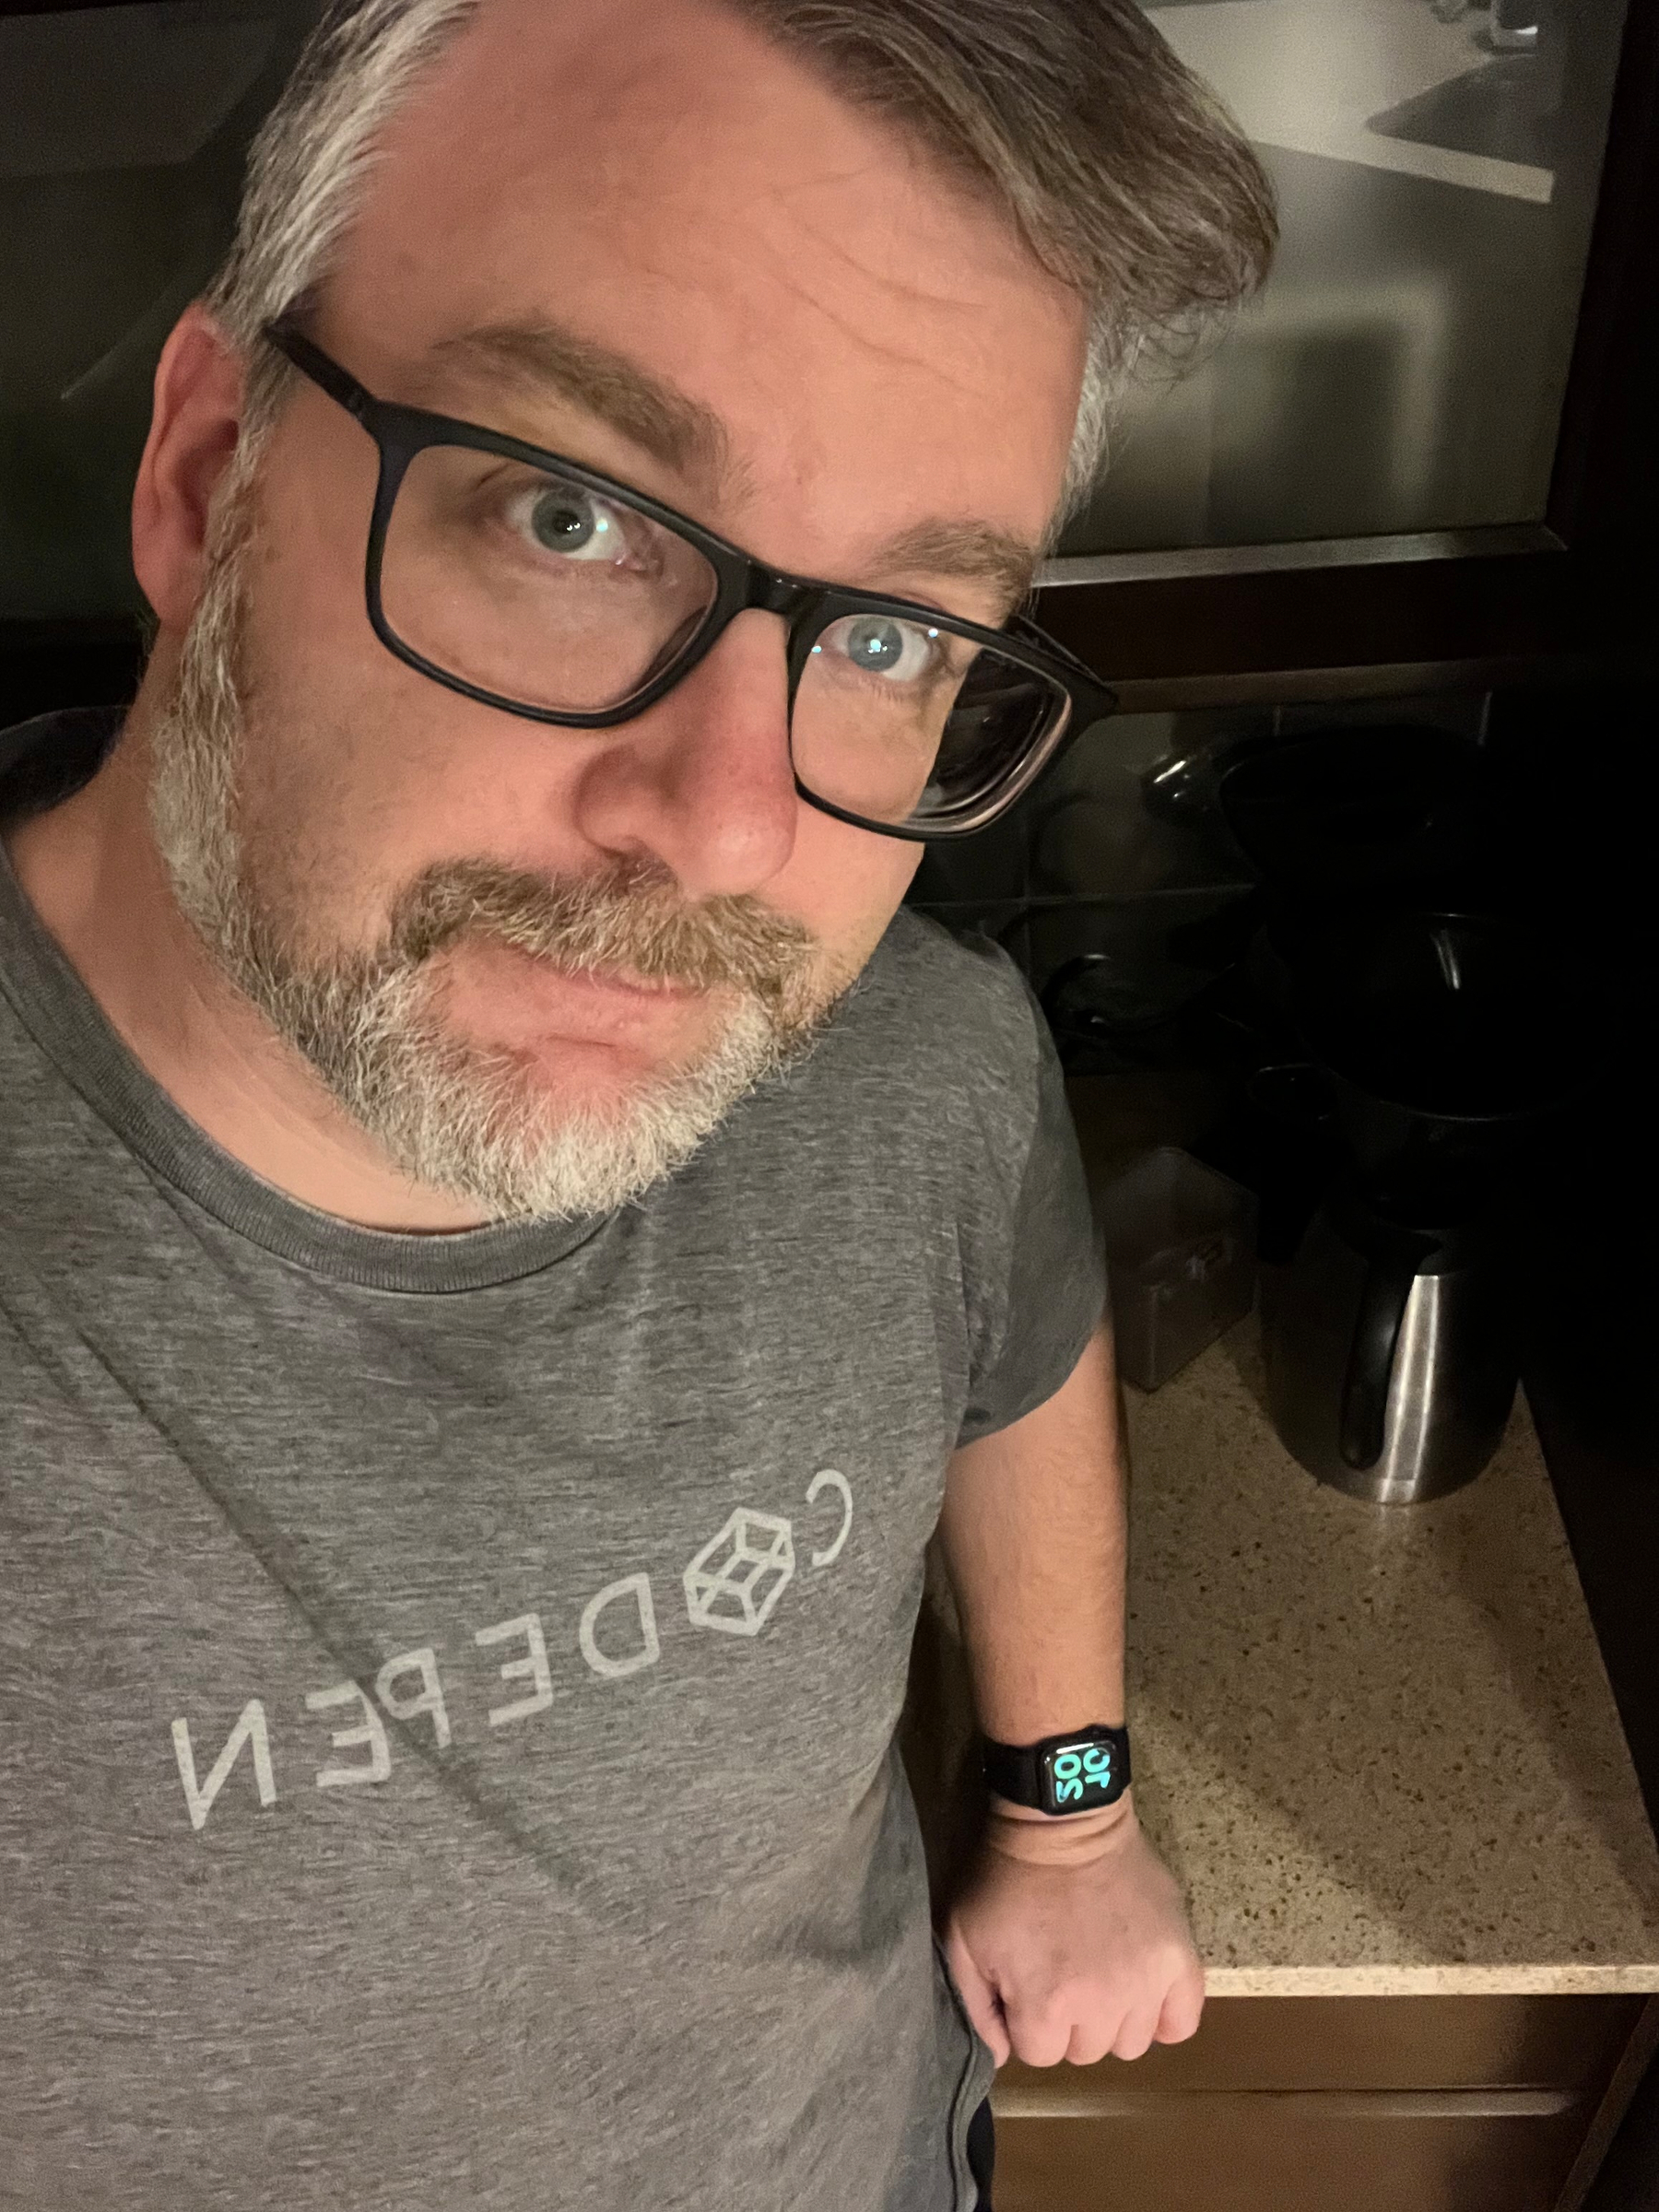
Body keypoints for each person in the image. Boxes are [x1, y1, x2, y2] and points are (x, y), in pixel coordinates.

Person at [0, 3, 1274, 2206]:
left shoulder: (908, 1069)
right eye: (571, 515)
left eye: (889, 639)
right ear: (210, 479)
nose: (725, 831)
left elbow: (1013, 1352)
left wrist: (1073, 1808)